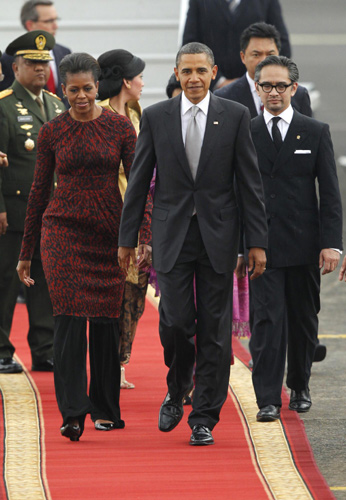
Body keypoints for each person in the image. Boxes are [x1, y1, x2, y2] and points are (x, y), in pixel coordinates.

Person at [118, 42, 268, 446]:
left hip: (220, 238)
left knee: (216, 332)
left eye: (202, 71)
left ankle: (204, 415)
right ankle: (177, 385)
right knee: (177, 324)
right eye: (187, 71)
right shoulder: (156, 117)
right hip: (172, 237)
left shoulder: (235, 116)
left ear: (214, 72)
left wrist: (256, 242)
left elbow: (249, 184)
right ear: (178, 73)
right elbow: (138, 182)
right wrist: (127, 237)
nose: (195, 78)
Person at [17, 52, 151, 441]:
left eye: (87, 89)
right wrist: (27, 251)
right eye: (73, 90)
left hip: (110, 234)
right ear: (64, 91)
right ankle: (73, 412)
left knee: (107, 324)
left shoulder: (120, 129)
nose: (80, 96)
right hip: (62, 233)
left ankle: (106, 409)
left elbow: (141, 187)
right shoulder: (52, 131)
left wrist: (142, 235)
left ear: (98, 87)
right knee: (69, 322)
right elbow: (40, 192)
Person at [249, 55, 342, 423]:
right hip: (262, 246)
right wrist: (242, 244)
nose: (274, 92)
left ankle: (299, 385)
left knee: (303, 320)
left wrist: (332, 243)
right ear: (257, 89)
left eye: (281, 85)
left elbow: (331, 194)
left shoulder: (315, 131)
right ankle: (268, 398)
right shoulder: (247, 131)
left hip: (304, 244)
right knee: (266, 322)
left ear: (294, 89)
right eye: (267, 85)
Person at [0, 31, 65, 375]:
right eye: (32, 63)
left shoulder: (55, 104)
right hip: (13, 211)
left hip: (49, 212)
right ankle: (0, 349)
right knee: (6, 281)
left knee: (44, 282)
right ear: (16, 66)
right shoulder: (4, 104)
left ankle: (44, 348)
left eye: (44, 63)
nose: (40, 69)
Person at [97, 49, 152, 390]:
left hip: (137, 211)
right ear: (126, 81)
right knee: (109, 294)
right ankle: (107, 363)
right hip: (107, 211)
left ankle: (121, 360)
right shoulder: (98, 115)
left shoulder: (138, 113)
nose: (144, 83)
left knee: (135, 291)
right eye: (140, 77)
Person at [182, 0, 291, 89]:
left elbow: (282, 45)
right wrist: (219, 81)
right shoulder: (199, 2)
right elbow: (190, 45)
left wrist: (255, 80)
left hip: (257, 90)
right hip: (213, 90)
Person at [214, 22, 312, 118]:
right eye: (256, 55)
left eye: (270, 54)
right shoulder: (224, 97)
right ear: (243, 57)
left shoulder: (299, 95)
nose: (264, 60)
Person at [0, 1, 71, 102]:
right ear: (30, 25)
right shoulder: (10, 58)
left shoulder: (64, 52)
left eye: (56, 20)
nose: (55, 26)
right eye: (49, 21)